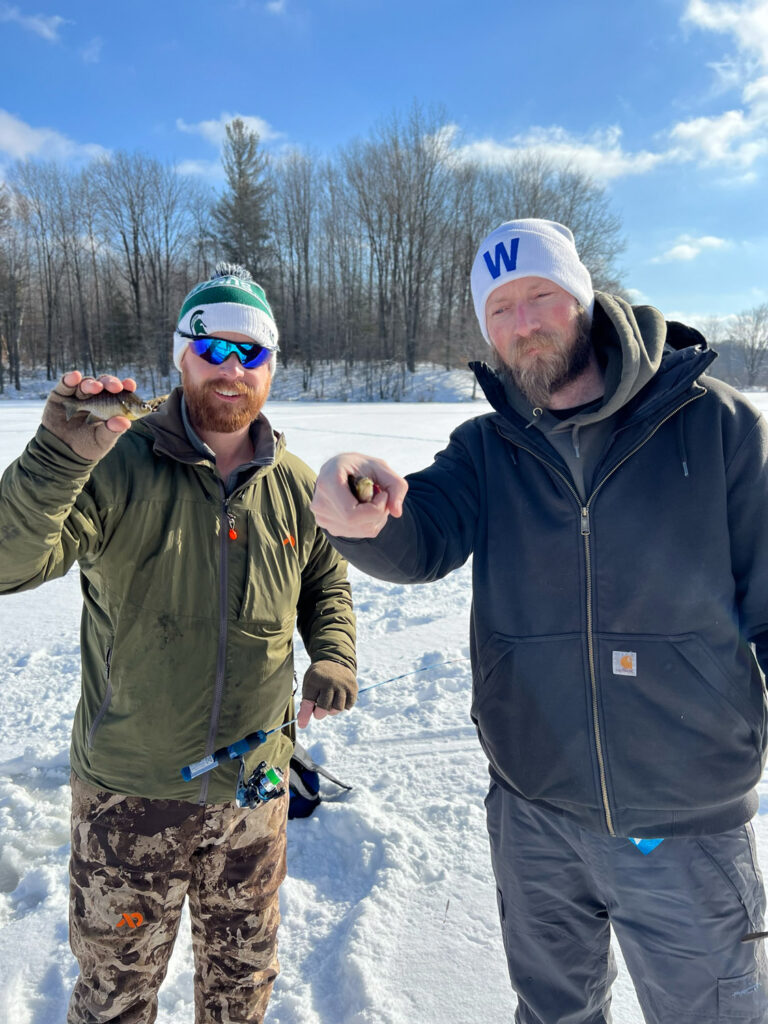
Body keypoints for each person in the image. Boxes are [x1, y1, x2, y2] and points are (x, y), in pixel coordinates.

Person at [310, 219, 768, 1023]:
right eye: (499, 311)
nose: (522, 325)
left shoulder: (720, 427)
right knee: (553, 1014)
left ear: (583, 299)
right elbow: (420, 536)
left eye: (540, 298)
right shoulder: (488, 449)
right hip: (533, 815)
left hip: (683, 826)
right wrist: (359, 513)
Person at [0, 264, 358, 1024]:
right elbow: (10, 562)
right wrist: (57, 460)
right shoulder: (113, 458)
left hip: (256, 790)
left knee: (242, 989)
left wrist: (334, 653)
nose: (232, 370)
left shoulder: (294, 482)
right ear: (180, 354)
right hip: (130, 798)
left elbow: (326, 581)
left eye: (250, 353)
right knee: (114, 1000)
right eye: (212, 348)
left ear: (272, 365)